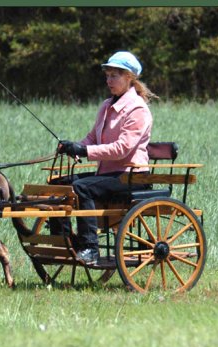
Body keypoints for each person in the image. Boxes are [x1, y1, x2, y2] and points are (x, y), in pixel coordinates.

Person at [55, 51, 158, 264]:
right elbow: (93, 137)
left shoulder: (138, 110)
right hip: (108, 174)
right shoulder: (106, 105)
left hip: (131, 176)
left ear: (129, 77)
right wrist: (75, 147)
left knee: (83, 187)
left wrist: (85, 152)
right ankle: (64, 239)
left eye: (114, 76)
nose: (109, 80)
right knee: (59, 185)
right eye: (107, 75)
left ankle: (91, 249)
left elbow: (123, 149)